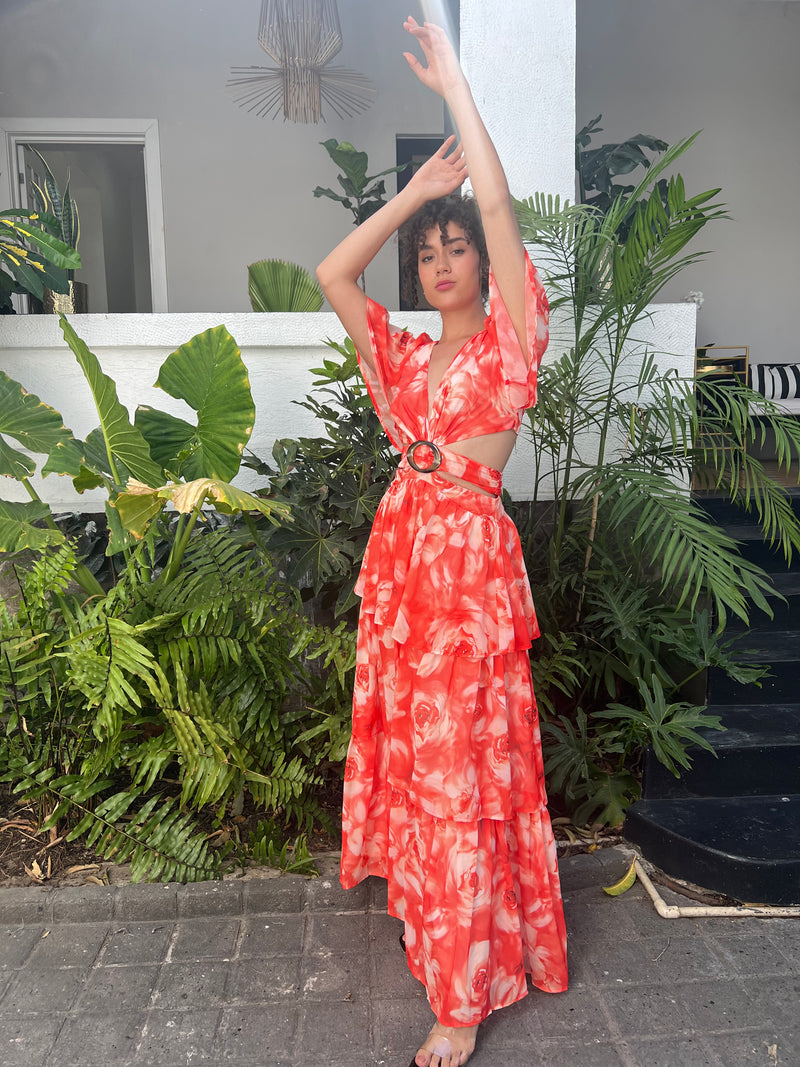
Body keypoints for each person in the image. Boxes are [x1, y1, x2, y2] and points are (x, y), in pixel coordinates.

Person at [316, 16, 568, 1067]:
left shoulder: (514, 338)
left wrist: (457, 91)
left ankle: (462, 995)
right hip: (405, 565)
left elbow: (500, 202)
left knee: (464, 767)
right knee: (426, 764)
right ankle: (435, 916)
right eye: (431, 252)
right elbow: (333, 274)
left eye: (452, 244)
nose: (439, 260)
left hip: (465, 569)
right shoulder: (406, 358)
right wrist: (412, 198)